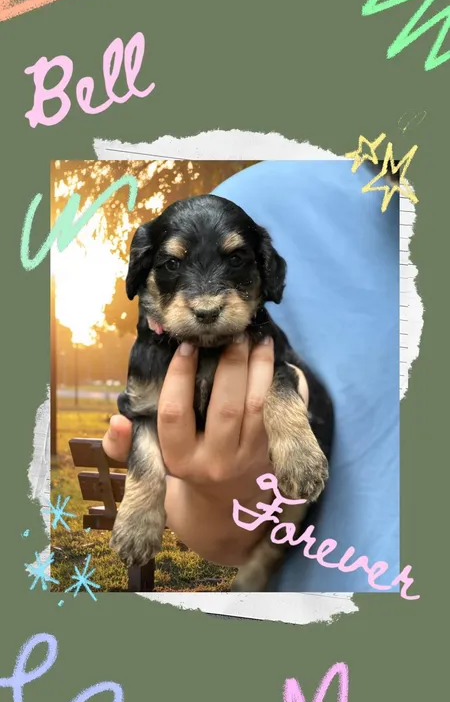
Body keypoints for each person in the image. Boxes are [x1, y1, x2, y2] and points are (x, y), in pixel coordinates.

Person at [104, 160, 399, 592]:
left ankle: (267, 561)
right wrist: (157, 497)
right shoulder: (266, 193)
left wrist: (287, 419)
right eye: (171, 266)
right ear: (143, 273)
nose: (205, 302)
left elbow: (284, 375)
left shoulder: (262, 329)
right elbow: (143, 418)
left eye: (236, 260)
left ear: (264, 271)